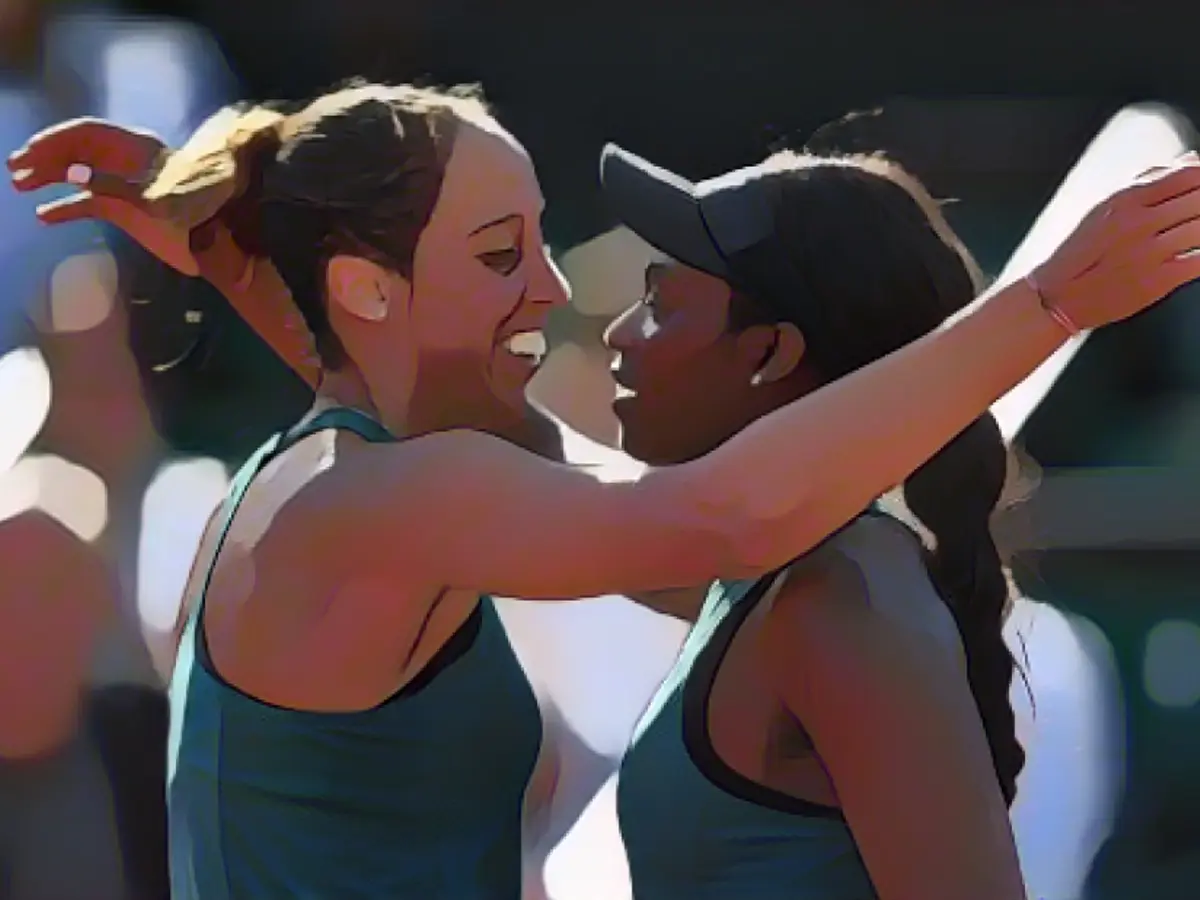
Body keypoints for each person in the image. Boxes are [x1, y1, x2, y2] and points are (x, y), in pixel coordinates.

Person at [9, 81, 1200, 899]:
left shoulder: (375, 475)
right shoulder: (382, 499)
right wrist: (1045, 307)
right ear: (371, 290)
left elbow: (692, 516)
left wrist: (253, 255)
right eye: (496, 255)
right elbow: (717, 516)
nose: (550, 293)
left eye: (534, 242)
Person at [593, 144, 1099, 899]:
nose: (619, 334)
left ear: (769, 353)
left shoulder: (841, 600)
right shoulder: (773, 569)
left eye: (661, 305)